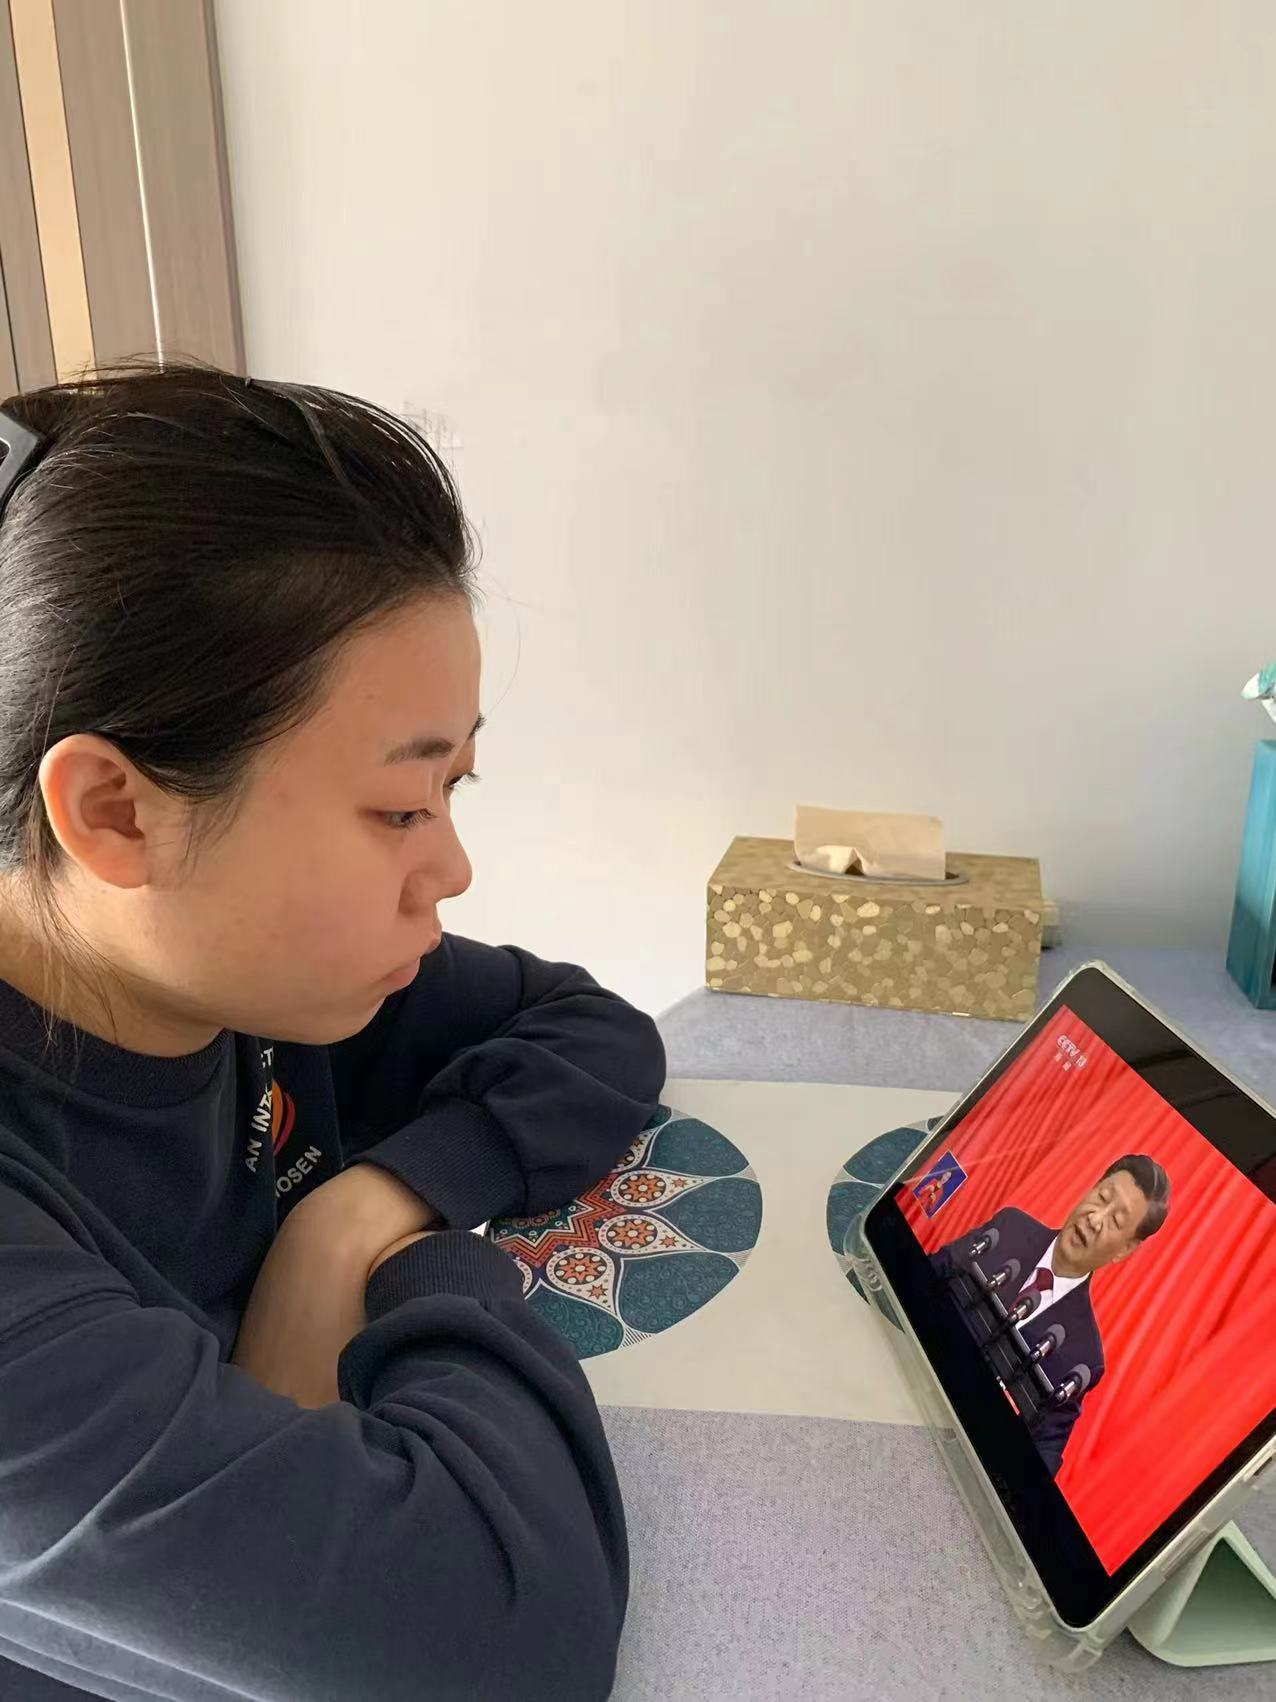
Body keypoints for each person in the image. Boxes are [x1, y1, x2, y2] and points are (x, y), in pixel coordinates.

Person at [0, 367, 667, 1702]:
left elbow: (590, 1026)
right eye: (402, 808)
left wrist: (360, 1213)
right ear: (118, 813)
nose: (453, 869)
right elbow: (502, 1641)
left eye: (454, 788)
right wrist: (433, 1272)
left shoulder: (244, 987)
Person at [930, 1154, 1172, 1474]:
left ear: (1125, 1249)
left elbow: (1042, 1454)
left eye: (1115, 1221)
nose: (1095, 1219)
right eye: (1102, 1197)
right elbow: (930, 1271)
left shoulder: (1082, 1356)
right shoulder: (1010, 1229)